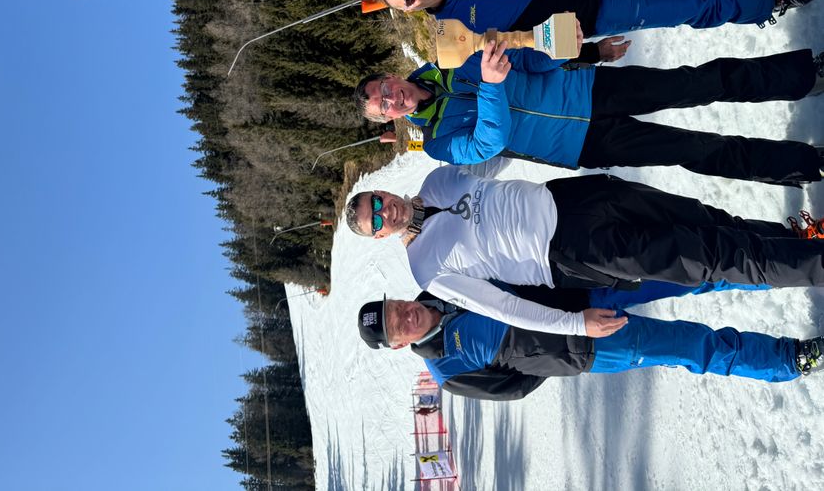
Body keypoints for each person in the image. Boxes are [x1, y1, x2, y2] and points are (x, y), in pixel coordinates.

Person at [344, 165, 824, 339]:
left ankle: (802, 241)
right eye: (377, 222)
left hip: (575, 197)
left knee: (700, 218)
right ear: (381, 237)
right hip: (569, 252)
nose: (386, 212)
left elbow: (490, 141)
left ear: (383, 191)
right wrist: (575, 324)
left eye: (378, 202)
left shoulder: (437, 179)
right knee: (711, 258)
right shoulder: (427, 270)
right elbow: (504, 307)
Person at [354, 46, 824, 184]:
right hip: (580, 144)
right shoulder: (437, 141)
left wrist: (578, 54)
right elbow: (488, 144)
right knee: (695, 148)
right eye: (385, 106)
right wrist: (493, 88)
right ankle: (803, 163)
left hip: (588, 89)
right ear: (390, 118)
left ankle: (803, 74)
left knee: (699, 80)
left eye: (384, 89)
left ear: (391, 77)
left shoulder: (448, 61)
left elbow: (523, 59)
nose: (392, 98)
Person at [357, 285, 824, 400]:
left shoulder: (440, 287)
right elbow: (513, 388)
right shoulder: (446, 369)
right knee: (689, 345)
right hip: (587, 346)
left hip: (582, 290)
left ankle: (789, 257)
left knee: (687, 271)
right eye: (397, 327)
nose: (405, 316)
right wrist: (553, 351)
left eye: (396, 308)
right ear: (399, 344)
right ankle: (790, 359)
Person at [379, 0, 821, 61]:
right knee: (692, 3)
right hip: (595, 11)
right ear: (411, 10)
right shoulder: (454, 35)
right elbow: (527, 59)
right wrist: (590, 52)